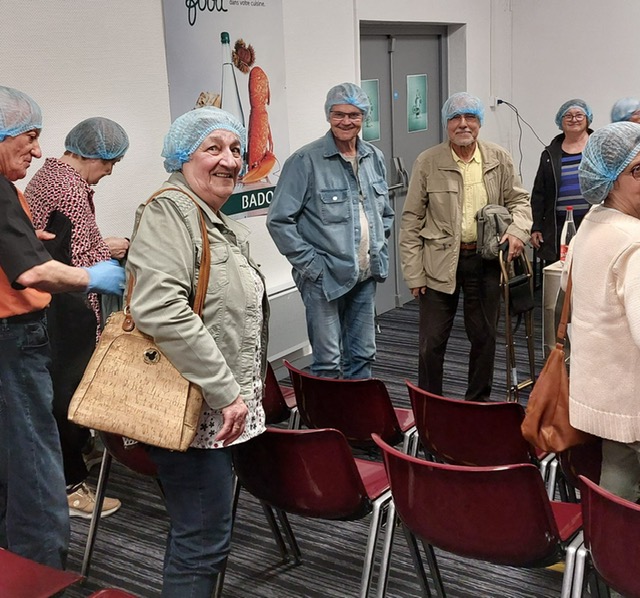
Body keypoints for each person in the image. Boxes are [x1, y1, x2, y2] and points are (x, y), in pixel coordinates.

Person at [126, 106, 267, 596]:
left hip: (208, 399)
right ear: (182, 156)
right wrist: (226, 392)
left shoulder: (208, 216)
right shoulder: (172, 209)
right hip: (190, 401)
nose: (228, 160)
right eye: (213, 148)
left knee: (201, 534)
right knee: (202, 539)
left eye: (234, 149)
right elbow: (160, 307)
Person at [0, 85, 125, 569]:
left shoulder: (26, 187)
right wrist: (92, 274)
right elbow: (33, 272)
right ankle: (41, 571)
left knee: (15, 454)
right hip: (16, 337)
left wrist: (25, 239)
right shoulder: (19, 187)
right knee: (35, 458)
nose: (37, 149)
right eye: (28, 137)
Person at [25, 117, 130, 519]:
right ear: (92, 154)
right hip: (65, 313)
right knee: (66, 399)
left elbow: (63, 248)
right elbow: (79, 263)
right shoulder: (70, 188)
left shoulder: (48, 176)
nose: (108, 171)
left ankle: (74, 460)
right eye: (110, 163)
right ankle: (71, 487)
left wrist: (103, 245)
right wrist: (112, 251)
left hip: (53, 306)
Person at [399, 92, 531, 402]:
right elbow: (411, 219)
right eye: (455, 118)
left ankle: (476, 404)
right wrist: (414, 274)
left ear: (479, 123)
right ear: (446, 124)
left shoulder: (498, 157)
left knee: (484, 338)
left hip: (485, 260)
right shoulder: (428, 161)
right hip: (438, 262)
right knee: (431, 343)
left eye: (470, 117)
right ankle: (431, 407)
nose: (463, 124)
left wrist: (517, 230)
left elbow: (519, 200)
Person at [267, 82, 393, 379]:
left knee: (362, 354)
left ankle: (356, 421)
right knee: (328, 360)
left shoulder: (374, 157)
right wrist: (313, 267)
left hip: (365, 275)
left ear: (364, 117)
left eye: (354, 114)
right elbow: (279, 220)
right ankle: (329, 423)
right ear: (328, 115)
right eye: (339, 114)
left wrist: (376, 247)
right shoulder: (304, 161)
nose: (346, 121)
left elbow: (384, 212)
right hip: (324, 279)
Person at [564, 121, 640, 502]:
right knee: (625, 484)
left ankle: (604, 552)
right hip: (630, 400)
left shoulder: (591, 223)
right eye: (637, 170)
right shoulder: (633, 241)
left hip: (598, 392)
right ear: (609, 180)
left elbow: (569, 286)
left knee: (617, 473)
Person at [531, 99, 594, 262]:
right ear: (560, 121)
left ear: (588, 119)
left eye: (579, 115)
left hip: (594, 223)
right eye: (568, 116)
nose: (574, 119)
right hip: (558, 227)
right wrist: (536, 226)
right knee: (561, 275)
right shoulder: (549, 154)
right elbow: (539, 193)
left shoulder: (599, 149)